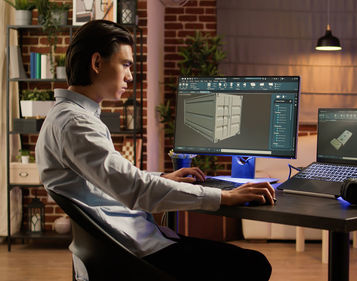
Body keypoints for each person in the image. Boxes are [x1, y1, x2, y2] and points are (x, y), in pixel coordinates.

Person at [35, 20, 274, 281]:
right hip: (132, 253)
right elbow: (136, 189)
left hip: (126, 244)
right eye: (125, 64)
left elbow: (110, 181)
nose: (129, 76)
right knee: (254, 264)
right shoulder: (76, 124)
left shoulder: (67, 117)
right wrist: (223, 196)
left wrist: (159, 179)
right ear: (97, 63)